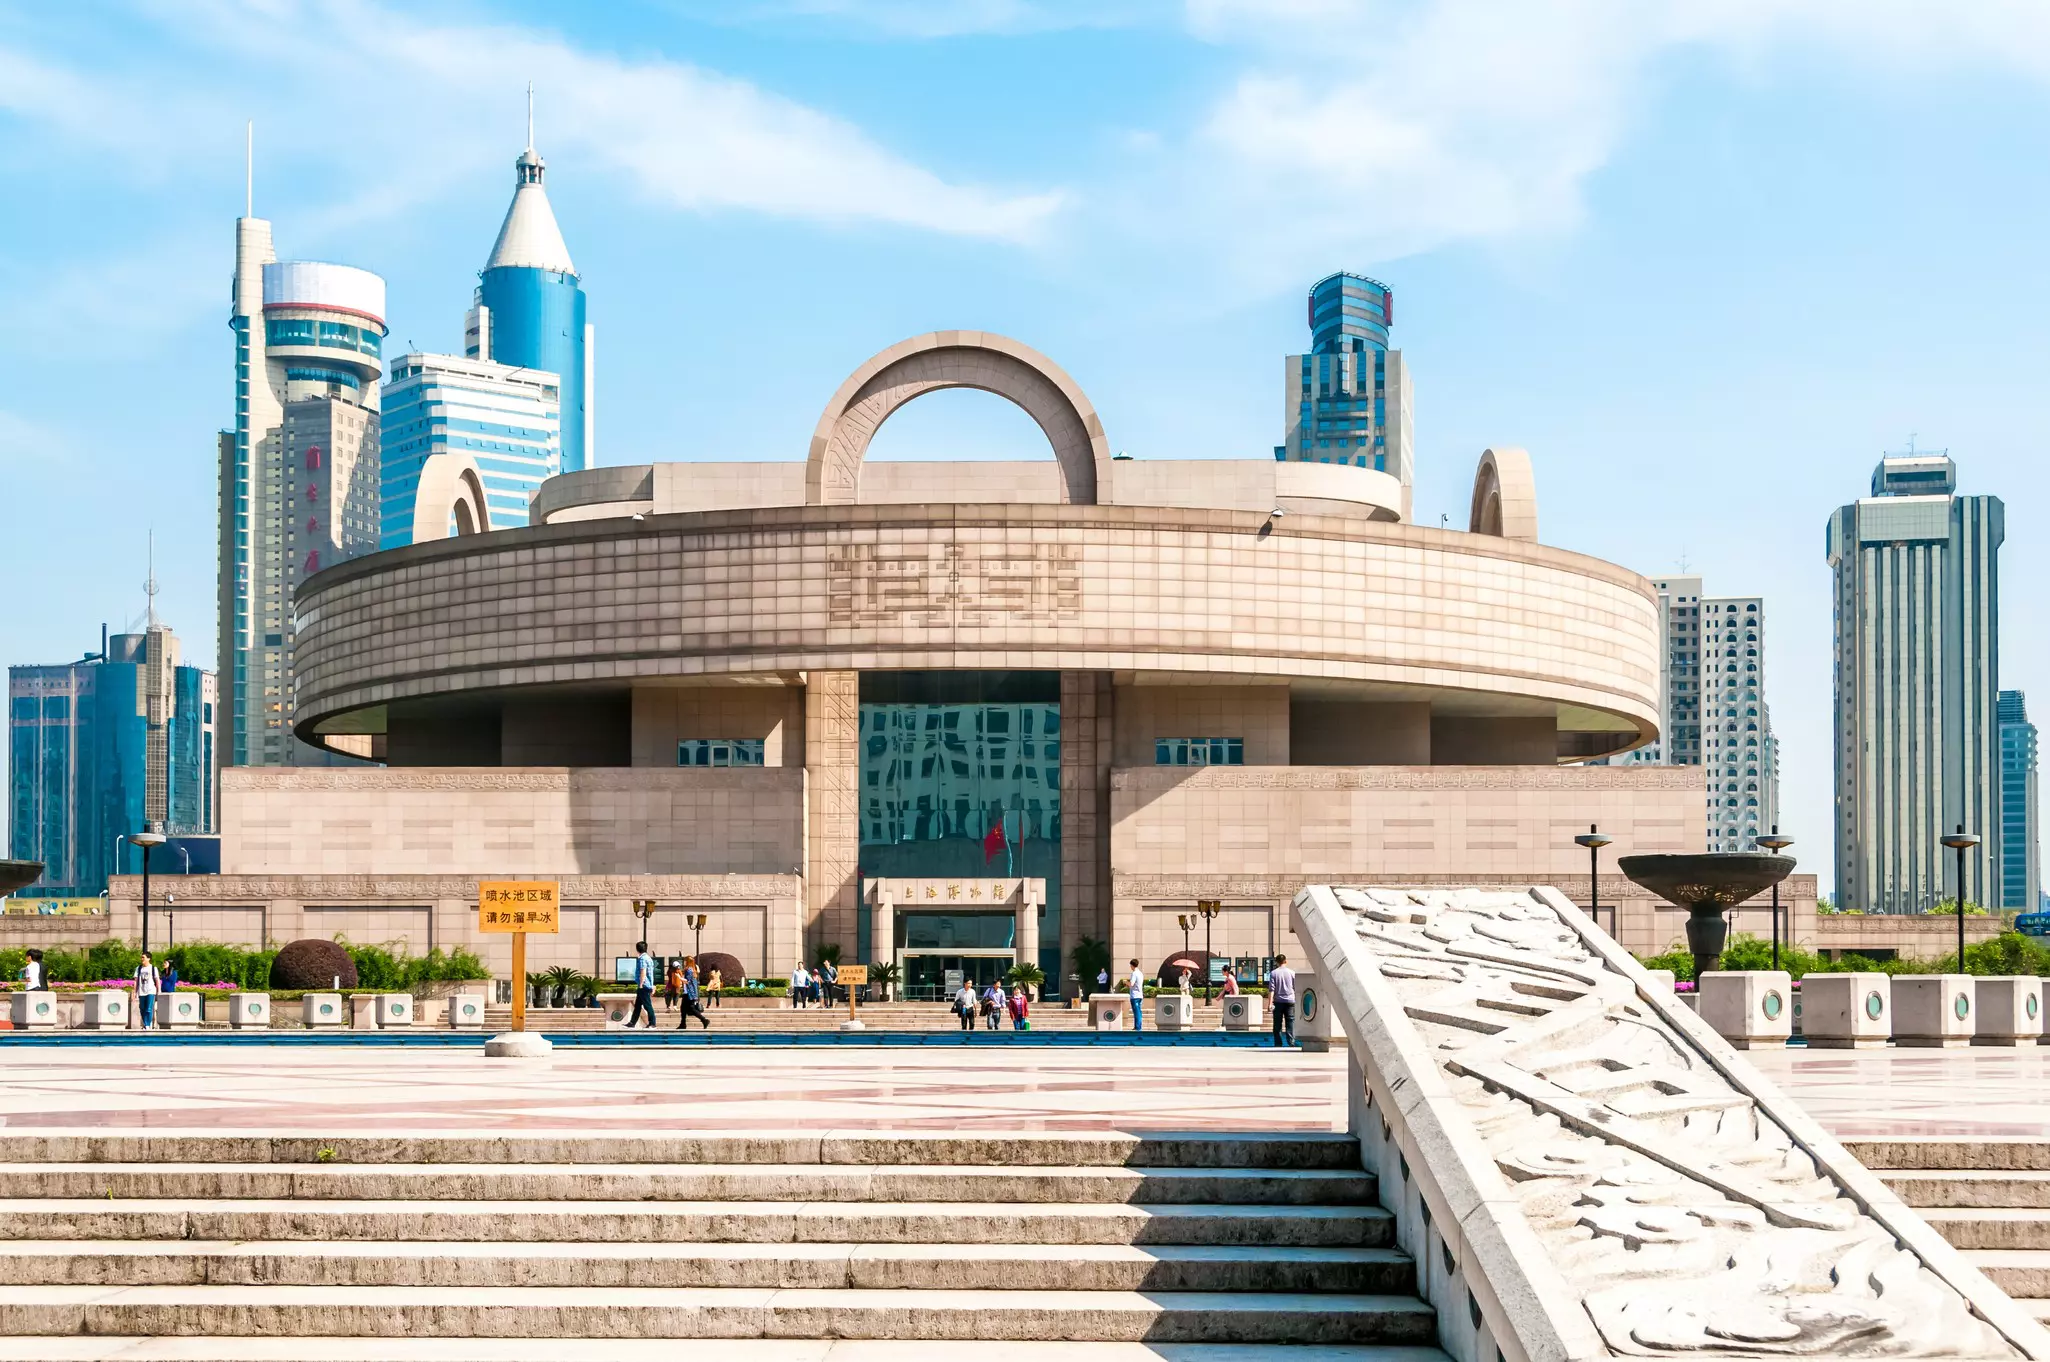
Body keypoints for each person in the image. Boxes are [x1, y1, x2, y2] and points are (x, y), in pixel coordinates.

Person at [1268, 953, 1297, 1048]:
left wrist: (1269, 1004)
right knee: (1290, 1023)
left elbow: (1272, 989)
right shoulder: (1292, 973)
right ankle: (1291, 1043)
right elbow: (1295, 988)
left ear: (1277, 962)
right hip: (1290, 1001)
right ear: (1285, 961)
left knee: (1277, 1024)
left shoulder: (1273, 973)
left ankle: (1278, 1044)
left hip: (1278, 1001)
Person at [626, 941, 658, 1029]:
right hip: (646, 984)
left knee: (647, 1005)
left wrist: (641, 984)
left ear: (637, 949)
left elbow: (643, 971)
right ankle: (632, 1023)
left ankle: (652, 1023)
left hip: (643, 985)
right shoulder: (648, 958)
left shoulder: (642, 959)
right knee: (638, 1006)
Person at [677, 958, 711, 1030]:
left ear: (688, 962)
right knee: (683, 1008)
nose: (684, 962)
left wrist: (679, 978)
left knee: (691, 1009)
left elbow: (687, 981)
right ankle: (683, 1024)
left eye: (685, 961)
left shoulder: (689, 970)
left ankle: (704, 1020)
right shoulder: (692, 970)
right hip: (688, 993)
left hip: (689, 993)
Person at [134, 952, 161, 1030]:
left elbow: (157, 980)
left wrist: (159, 991)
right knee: (142, 1008)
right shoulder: (138, 968)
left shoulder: (153, 968)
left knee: (149, 1009)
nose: (142, 959)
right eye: (141, 957)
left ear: (148, 959)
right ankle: (146, 1024)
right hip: (141, 991)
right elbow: (135, 981)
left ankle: (147, 1025)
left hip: (151, 991)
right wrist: (135, 992)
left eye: (143, 957)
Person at [1126, 958, 1146, 1032]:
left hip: (1135, 995)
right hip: (1140, 995)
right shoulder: (1140, 973)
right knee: (1138, 1011)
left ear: (1132, 965)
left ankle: (1138, 1027)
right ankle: (1137, 1026)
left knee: (1136, 1011)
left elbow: (1131, 984)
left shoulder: (1134, 973)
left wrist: (1126, 982)